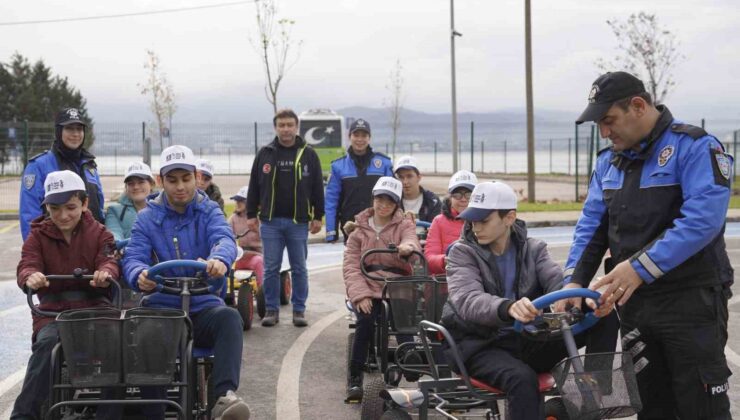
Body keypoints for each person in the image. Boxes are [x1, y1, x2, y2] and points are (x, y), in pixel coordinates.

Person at [564, 71, 732, 419]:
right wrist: (574, 281)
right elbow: (591, 226)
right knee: (652, 407)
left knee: (702, 406)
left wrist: (638, 268)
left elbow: (702, 221)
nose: (605, 132)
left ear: (638, 106)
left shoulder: (695, 147)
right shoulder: (607, 161)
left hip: (691, 301)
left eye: (608, 121)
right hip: (637, 306)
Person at [440, 181, 618, 420]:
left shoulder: (534, 249)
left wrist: (586, 303)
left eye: (483, 221)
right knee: (522, 378)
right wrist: (508, 307)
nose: (475, 227)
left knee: (603, 317)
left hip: (526, 338)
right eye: (472, 221)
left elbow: (558, 284)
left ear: (509, 217)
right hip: (481, 345)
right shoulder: (462, 252)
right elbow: (468, 300)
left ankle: (596, 395)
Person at [122, 145, 250, 419]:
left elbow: (224, 239)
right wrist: (139, 275)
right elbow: (133, 257)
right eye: (172, 180)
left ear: (195, 177)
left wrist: (219, 259)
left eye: (185, 179)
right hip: (162, 308)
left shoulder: (210, 210)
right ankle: (152, 412)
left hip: (203, 305)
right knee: (144, 334)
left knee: (229, 318)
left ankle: (223, 399)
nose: (180, 186)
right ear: (160, 181)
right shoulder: (147, 218)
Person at [12, 170, 120, 420]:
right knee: (47, 346)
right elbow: (27, 264)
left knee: (117, 346)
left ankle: (109, 414)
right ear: (46, 208)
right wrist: (31, 276)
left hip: (95, 308)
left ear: (84, 204)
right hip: (52, 313)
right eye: (55, 208)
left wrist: (105, 271)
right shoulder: (37, 236)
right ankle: (23, 415)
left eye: (70, 207)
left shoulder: (101, 233)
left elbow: (109, 260)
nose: (63, 215)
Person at [342, 177, 421, 401]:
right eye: (380, 199)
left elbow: (411, 242)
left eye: (390, 201)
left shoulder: (404, 225)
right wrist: (360, 295)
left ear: (397, 204)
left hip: (397, 287)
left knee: (404, 323)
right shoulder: (358, 231)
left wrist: (407, 248)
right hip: (368, 285)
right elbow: (350, 266)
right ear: (373, 199)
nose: (384, 205)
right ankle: (355, 378)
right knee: (365, 321)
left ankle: (410, 360)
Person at [246, 109, 325, 328]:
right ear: (276, 128)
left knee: (299, 268)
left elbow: (318, 186)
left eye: (290, 125)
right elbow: (254, 185)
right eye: (282, 125)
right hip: (270, 222)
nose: (286, 129)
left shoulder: (308, 154)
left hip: (298, 222)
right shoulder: (265, 153)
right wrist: (251, 214)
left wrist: (318, 216)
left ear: (297, 127)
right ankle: (271, 310)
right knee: (271, 268)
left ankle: (299, 310)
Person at [20, 108, 105, 240]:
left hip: (91, 247)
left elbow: (99, 209)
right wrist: (36, 252)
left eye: (79, 129)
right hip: (55, 249)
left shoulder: (89, 165)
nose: (76, 134)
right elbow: (30, 216)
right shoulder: (38, 166)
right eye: (70, 128)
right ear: (58, 132)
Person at [325, 118, 393, 243]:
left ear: (369, 138)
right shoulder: (338, 166)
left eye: (364, 135)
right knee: (353, 262)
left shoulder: (384, 163)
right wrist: (331, 231)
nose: (360, 139)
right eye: (356, 135)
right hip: (351, 226)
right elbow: (331, 201)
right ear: (349, 137)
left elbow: (395, 197)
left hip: (380, 226)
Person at [425, 170, 478, 275]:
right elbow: (429, 258)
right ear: (450, 197)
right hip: (446, 280)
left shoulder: (484, 220)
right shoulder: (438, 221)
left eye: (468, 195)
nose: (463, 199)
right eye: (457, 195)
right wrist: (445, 260)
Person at [105, 161, 155, 241]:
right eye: (131, 183)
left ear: (151, 184)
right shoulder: (114, 211)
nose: (136, 187)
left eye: (141, 182)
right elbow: (114, 235)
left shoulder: (164, 208)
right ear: (126, 187)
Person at [229, 186, 263, 286]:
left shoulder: (258, 218)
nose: (237, 203)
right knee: (226, 264)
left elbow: (267, 235)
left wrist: (258, 230)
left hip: (257, 254)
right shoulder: (234, 218)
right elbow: (226, 231)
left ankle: (263, 291)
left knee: (259, 262)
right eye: (237, 200)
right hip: (240, 256)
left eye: (241, 201)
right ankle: (227, 292)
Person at [393, 155, 441, 223]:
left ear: (419, 177)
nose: (405, 182)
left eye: (409, 176)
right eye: (401, 177)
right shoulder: (392, 201)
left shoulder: (433, 201)